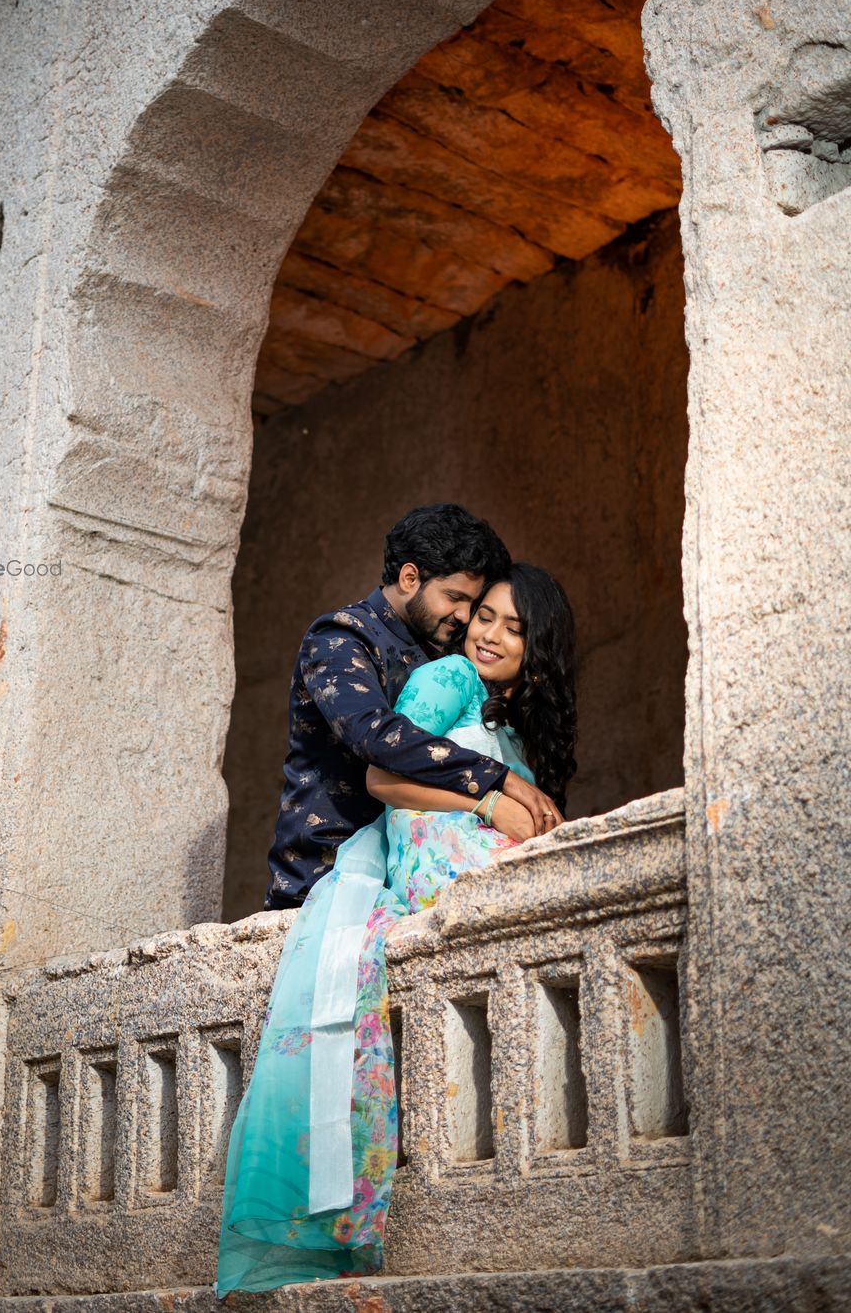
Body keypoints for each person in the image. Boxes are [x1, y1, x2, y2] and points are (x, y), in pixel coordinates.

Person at [217, 562, 578, 1296]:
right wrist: (485, 806)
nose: (489, 635)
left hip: (473, 852)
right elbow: (383, 781)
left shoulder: (518, 727)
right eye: (485, 616)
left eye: (514, 628)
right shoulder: (449, 680)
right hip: (431, 848)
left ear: (539, 649)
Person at [264, 505, 563, 910]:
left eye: (470, 604)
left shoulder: (443, 657)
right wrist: (498, 785)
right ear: (409, 577)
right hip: (323, 878)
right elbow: (375, 734)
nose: (464, 616)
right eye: (455, 598)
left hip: (395, 884)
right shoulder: (341, 637)